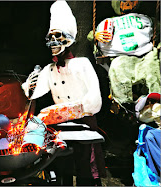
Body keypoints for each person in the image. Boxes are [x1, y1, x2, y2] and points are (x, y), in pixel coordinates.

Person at [21, 0, 106, 185]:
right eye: (50, 37)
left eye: (58, 36)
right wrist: (29, 84)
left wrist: (71, 109)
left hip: (84, 123)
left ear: (68, 40)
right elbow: (34, 94)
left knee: (86, 169)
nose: (53, 42)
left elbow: (95, 99)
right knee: (63, 166)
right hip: (61, 126)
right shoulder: (49, 69)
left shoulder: (82, 63)